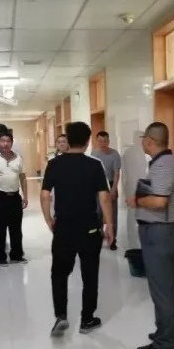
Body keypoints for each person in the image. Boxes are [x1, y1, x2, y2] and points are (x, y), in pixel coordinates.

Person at [40, 122, 113, 337]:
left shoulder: (54, 164)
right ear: (88, 141)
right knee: (90, 275)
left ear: (68, 140)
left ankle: (61, 315)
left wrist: (48, 220)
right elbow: (104, 197)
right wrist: (109, 225)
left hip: (63, 227)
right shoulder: (95, 165)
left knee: (59, 273)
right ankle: (87, 319)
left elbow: (44, 195)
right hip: (89, 228)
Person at [125, 122, 174, 349]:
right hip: (165, 231)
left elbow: (159, 201)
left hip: (158, 231)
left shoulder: (163, 165)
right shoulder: (171, 162)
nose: (142, 143)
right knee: (168, 284)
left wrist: (136, 201)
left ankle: (164, 341)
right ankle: (173, 332)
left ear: (149, 141)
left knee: (161, 287)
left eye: (143, 139)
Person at [0, 132, 28, 266]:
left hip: (15, 197)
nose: (5, 143)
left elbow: (23, 177)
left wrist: (25, 196)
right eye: (2, 141)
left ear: (12, 143)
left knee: (16, 228)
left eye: (8, 141)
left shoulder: (18, 158)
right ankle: (0, 257)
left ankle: (17, 255)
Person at [91, 131, 122, 251]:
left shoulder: (115, 154)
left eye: (105, 141)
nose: (103, 143)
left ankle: (113, 240)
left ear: (108, 141)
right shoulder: (93, 154)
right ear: (96, 141)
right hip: (97, 186)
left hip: (110, 184)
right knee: (97, 213)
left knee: (112, 214)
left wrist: (113, 189)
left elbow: (116, 173)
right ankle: (99, 237)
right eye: (100, 141)